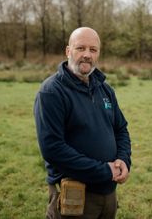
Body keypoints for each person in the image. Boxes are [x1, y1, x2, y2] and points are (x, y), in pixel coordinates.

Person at [34, 27, 131, 219]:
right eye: (81, 48)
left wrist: (124, 159)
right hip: (74, 196)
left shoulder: (105, 89)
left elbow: (120, 129)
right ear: (68, 51)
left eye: (93, 50)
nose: (87, 55)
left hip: (108, 192)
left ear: (98, 54)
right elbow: (52, 149)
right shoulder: (51, 92)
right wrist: (103, 170)